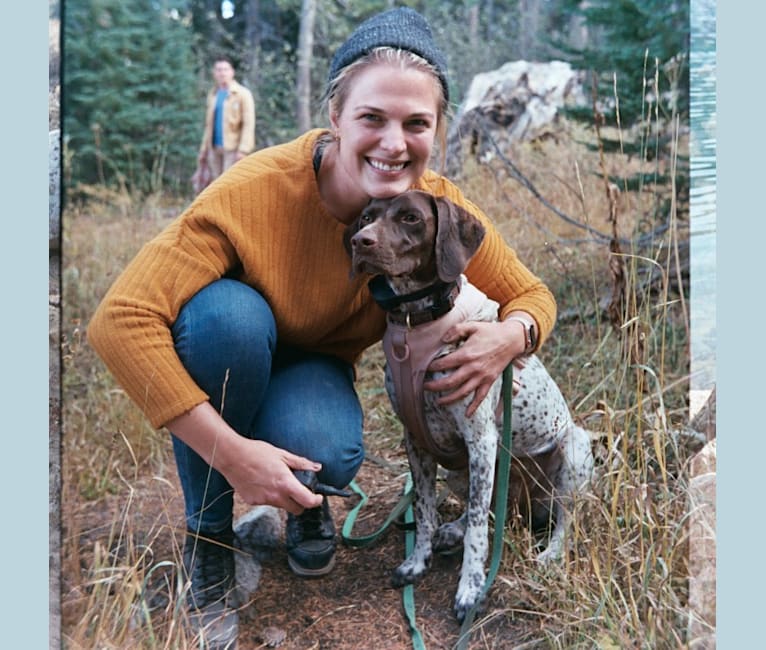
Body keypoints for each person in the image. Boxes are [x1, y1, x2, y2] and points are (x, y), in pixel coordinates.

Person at [87, 7, 556, 648]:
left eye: (416, 124)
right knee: (228, 316)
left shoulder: (436, 207)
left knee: (330, 450)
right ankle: (211, 535)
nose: (395, 143)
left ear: (437, 131)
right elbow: (118, 320)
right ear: (334, 117)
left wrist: (511, 335)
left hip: (312, 369)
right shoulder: (257, 190)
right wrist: (229, 452)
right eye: (372, 118)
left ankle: (305, 505)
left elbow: (531, 295)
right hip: (232, 349)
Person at [198, 55, 256, 181]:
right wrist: (204, 149)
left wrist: (243, 149)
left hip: (233, 148)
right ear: (214, 73)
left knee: (230, 184)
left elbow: (248, 124)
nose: (222, 73)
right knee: (216, 185)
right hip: (214, 148)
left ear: (232, 72)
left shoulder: (242, 94)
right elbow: (208, 125)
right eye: (219, 70)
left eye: (225, 69)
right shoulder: (213, 94)